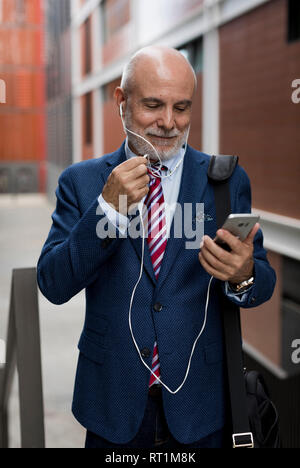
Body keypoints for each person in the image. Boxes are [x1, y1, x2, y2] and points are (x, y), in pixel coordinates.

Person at [37, 46, 276, 449]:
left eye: (181, 108)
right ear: (121, 101)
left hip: (202, 406)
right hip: (114, 406)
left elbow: (262, 281)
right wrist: (107, 213)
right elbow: (53, 284)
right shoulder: (80, 182)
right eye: (153, 105)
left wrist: (243, 274)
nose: (168, 122)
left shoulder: (225, 181)